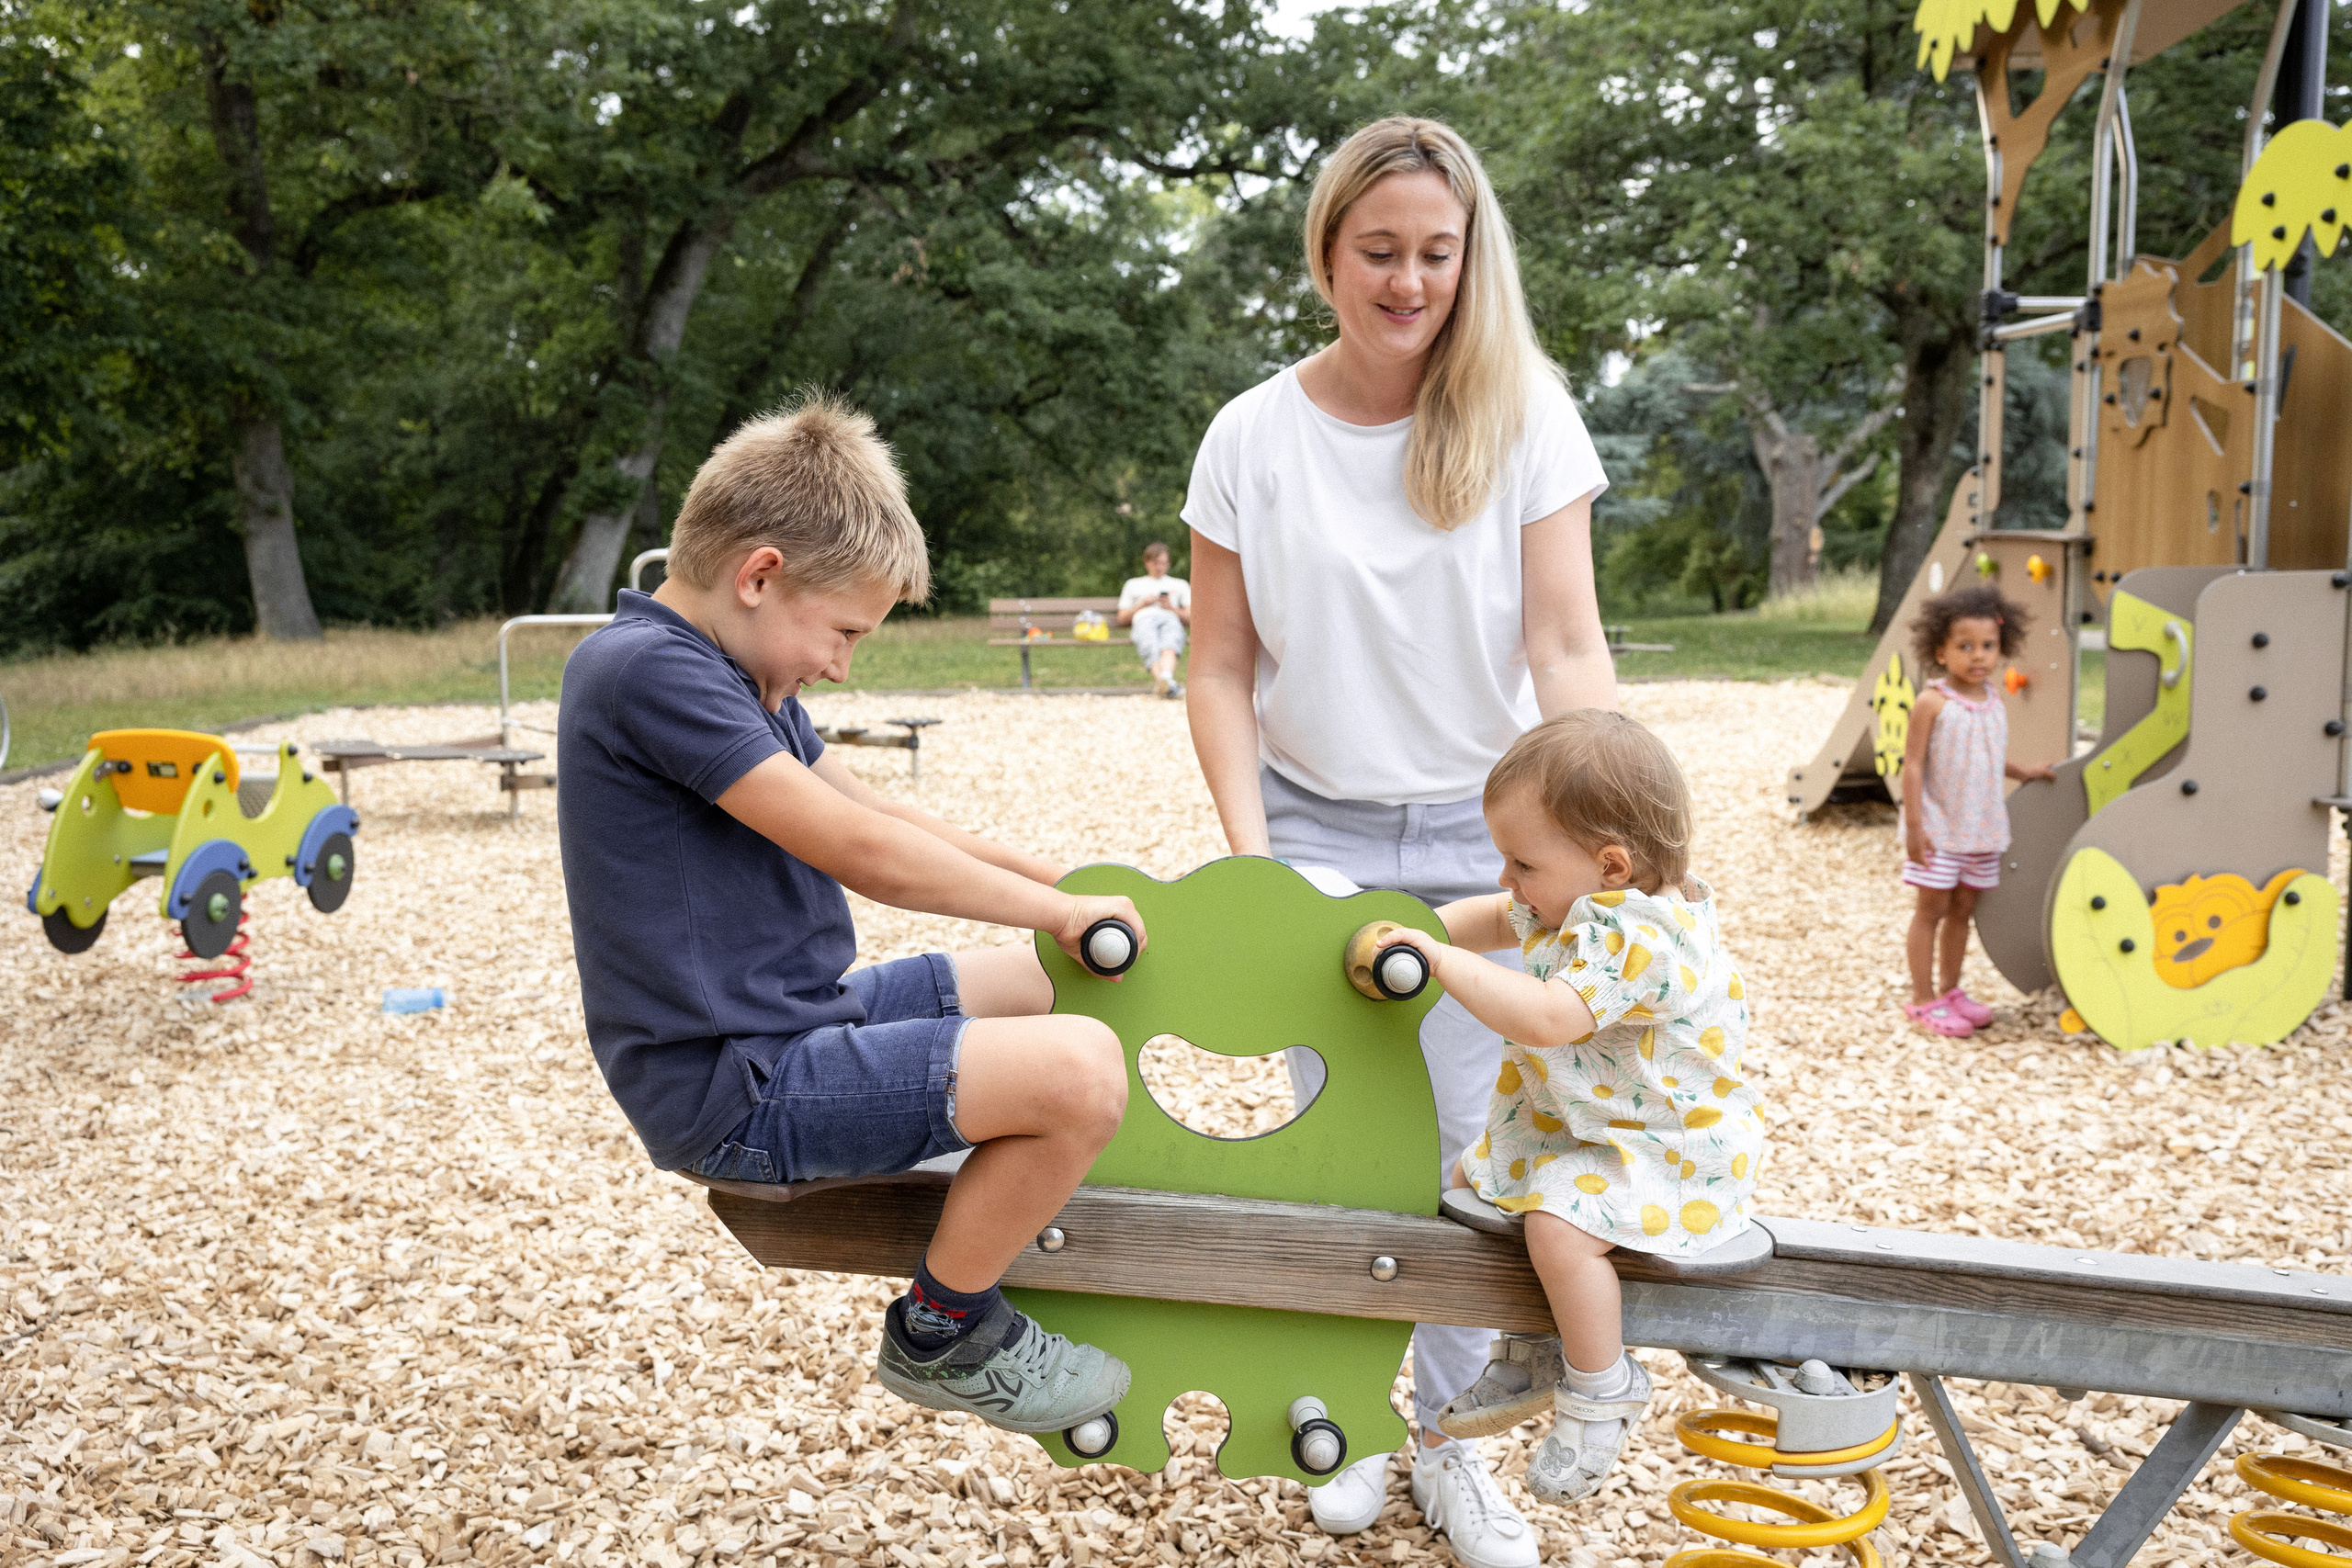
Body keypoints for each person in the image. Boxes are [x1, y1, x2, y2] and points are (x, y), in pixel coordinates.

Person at [1183, 116, 1614, 1567]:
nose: (1411, 279)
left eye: (1438, 251)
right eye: (1380, 251)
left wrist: (1604, 829)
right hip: (1310, 828)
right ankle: (1354, 1421)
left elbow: (1564, 638)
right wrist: (1249, 859)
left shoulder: (1525, 411)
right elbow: (1220, 665)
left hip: (1492, 837)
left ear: (1469, 254)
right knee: (1341, 1135)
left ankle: (1444, 1445)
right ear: (1326, 253)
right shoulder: (1253, 433)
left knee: (1463, 1147)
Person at [556, 393, 1148, 1438]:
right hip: (734, 1085)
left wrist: (1069, 885)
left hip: (795, 1020)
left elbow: (876, 806)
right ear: (759, 575)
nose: (840, 664)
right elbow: (865, 853)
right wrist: (1058, 908)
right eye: (842, 633)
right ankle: (944, 1332)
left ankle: (1048, 1167)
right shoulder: (646, 671)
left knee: (1054, 981)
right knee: (1083, 1068)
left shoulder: (740, 676)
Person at [1370, 711, 1760, 1501]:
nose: (1508, 881)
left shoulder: (1643, 936)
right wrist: (1393, 934)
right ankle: (1533, 1351)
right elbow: (1486, 916)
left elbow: (1547, 1015)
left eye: (1520, 862)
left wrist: (1436, 963)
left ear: (1611, 864)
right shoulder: (1574, 899)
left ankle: (1599, 1383)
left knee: (1557, 1226)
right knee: (1474, 1188)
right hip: (1588, 1132)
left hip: (1665, 1152)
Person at [1897, 584, 2054, 1036]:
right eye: (1964, 646)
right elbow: (1913, 765)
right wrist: (1914, 826)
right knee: (1931, 908)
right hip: (1940, 829)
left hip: (1981, 829)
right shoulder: (1933, 702)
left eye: (1988, 646)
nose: (1978, 656)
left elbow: (1981, 755)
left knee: (1963, 910)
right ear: (1941, 651)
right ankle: (1923, 999)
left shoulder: (1992, 699)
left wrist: (2020, 771)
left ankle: (1951, 990)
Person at [1117, 542, 1192, 699]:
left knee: (1170, 642)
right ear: (1147, 562)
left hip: (1170, 618)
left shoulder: (1179, 584)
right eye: (1155, 562)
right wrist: (1143, 604)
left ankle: (1164, 684)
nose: (1159, 567)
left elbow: (1191, 617)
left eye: (1163, 563)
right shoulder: (1133, 584)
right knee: (1149, 644)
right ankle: (1169, 684)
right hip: (1143, 619)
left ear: (1168, 564)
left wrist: (1170, 608)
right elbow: (1122, 618)